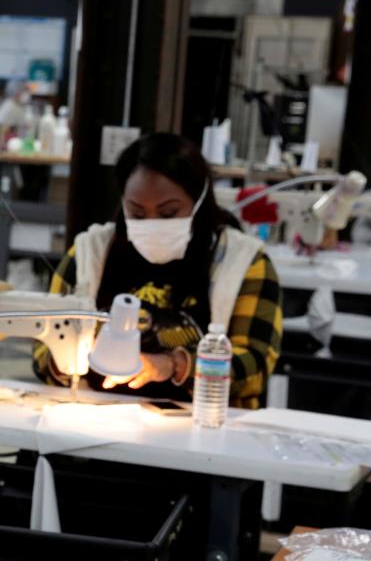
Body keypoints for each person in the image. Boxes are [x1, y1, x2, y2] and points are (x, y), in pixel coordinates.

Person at [21, 133, 282, 408]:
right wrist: (65, 358)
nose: (152, 224)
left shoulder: (244, 264)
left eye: (168, 213)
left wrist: (173, 365)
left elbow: (255, 366)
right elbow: (42, 349)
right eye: (137, 213)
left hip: (202, 428)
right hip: (99, 413)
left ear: (199, 201)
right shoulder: (89, 255)